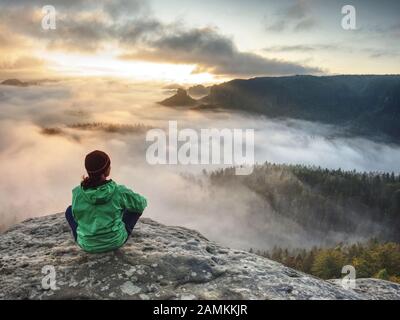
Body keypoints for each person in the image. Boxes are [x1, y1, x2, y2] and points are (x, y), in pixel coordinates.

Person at [65, 150, 147, 253]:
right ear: (106, 170)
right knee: (131, 206)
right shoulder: (119, 191)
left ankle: (89, 237)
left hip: (87, 245)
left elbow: (76, 216)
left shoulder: (77, 192)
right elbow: (141, 204)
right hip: (115, 242)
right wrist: (121, 208)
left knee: (69, 210)